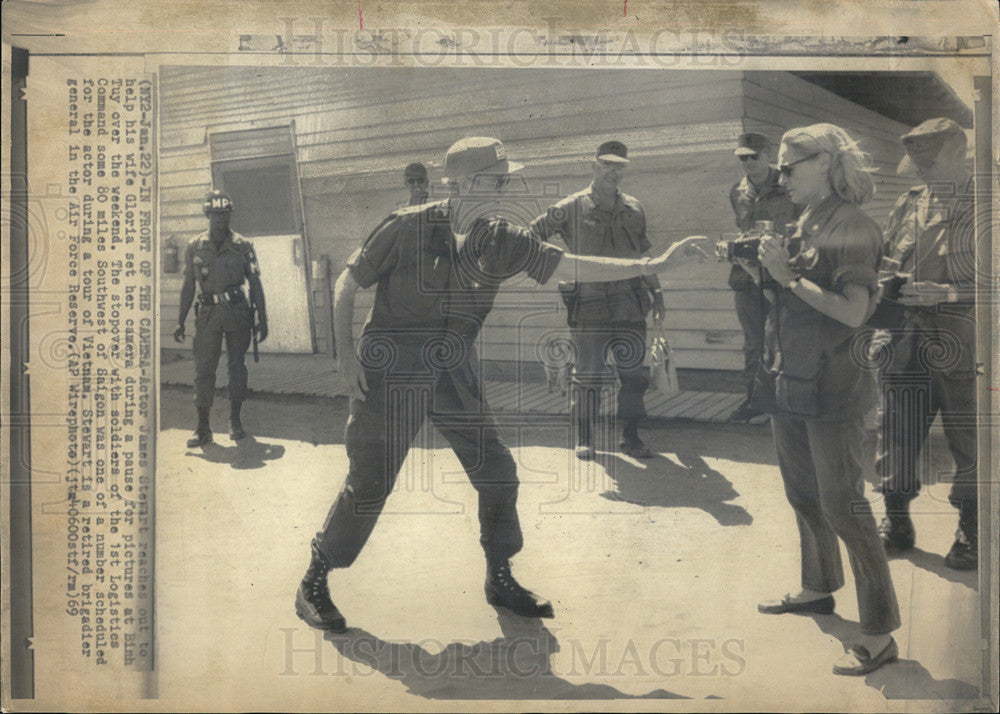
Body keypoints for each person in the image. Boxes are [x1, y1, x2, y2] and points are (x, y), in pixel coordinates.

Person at [295, 137, 706, 633]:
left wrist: (650, 265)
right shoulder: (407, 226)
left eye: (507, 180)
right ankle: (313, 581)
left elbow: (566, 264)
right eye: (498, 180)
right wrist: (344, 361)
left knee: (498, 473)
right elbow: (347, 283)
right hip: (392, 373)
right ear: (466, 184)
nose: (506, 188)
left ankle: (500, 577)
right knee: (370, 484)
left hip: (453, 371)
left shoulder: (500, 237)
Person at [747, 124, 901, 676]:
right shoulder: (806, 220)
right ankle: (818, 587)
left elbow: (854, 311)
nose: (779, 176)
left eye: (790, 167)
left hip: (835, 387)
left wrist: (786, 277)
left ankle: (880, 632)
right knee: (803, 494)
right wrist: (761, 270)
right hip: (791, 377)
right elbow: (797, 293)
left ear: (826, 164)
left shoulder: (854, 226)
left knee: (846, 508)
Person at [871, 117, 978, 570]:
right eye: (920, 164)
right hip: (905, 342)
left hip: (963, 345)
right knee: (896, 432)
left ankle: (971, 531)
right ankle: (897, 521)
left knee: (968, 439)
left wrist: (949, 293)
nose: (923, 173)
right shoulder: (908, 203)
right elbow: (885, 263)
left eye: (930, 163)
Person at [529, 140, 662, 460]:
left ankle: (630, 437)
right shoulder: (571, 206)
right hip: (590, 306)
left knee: (633, 375)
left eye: (619, 167)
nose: (612, 173)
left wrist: (656, 291)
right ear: (593, 166)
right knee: (588, 375)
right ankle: (584, 437)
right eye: (607, 165)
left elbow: (644, 253)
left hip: (630, 304)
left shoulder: (634, 208)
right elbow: (533, 234)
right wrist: (558, 266)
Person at [173, 189, 268, 446]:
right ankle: (203, 428)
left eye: (224, 214)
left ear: (230, 215)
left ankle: (235, 421)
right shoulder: (195, 246)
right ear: (208, 215)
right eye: (215, 215)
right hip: (208, 316)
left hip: (238, 313)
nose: (220, 220)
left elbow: (255, 283)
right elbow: (189, 286)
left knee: (237, 368)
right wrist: (180, 320)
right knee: (204, 370)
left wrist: (263, 317)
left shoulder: (243, 246)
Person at [727, 132, 800, 422]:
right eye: (743, 157)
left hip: (781, 274)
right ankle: (755, 401)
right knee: (754, 342)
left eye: (754, 156)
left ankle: (785, 402)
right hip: (747, 276)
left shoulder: (787, 184)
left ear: (768, 154)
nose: (748, 163)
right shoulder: (737, 191)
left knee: (784, 338)